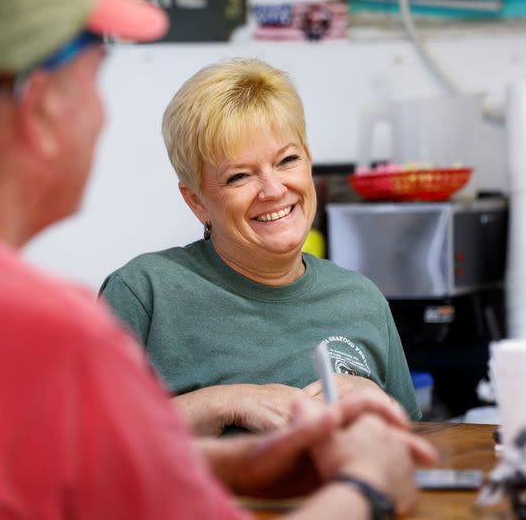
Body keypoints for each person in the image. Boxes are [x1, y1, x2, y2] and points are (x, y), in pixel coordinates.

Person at [0, 0, 436, 519]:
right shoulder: (44, 334)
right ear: (42, 109)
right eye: (94, 82)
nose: (100, 116)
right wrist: (365, 485)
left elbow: (52, 469)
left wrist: (243, 463)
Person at [101, 58, 421, 436]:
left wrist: (378, 403)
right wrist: (222, 402)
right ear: (197, 201)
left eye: (287, 160)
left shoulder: (361, 299)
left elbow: (413, 454)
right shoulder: (143, 294)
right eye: (239, 176)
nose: (273, 190)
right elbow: (82, 445)